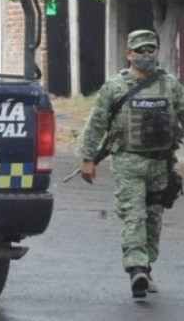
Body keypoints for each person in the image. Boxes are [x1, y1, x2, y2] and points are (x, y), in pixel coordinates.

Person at [77, 29, 184, 300]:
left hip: (161, 164)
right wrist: (88, 158)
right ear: (129, 55)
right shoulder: (115, 87)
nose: (146, 55)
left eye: (151, 50)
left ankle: (146, 267)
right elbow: (97, 122)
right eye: (140, 51)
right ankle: (136, 268)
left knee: (153, 220)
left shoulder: (170, 85)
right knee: (134, 214)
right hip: (129, 162)